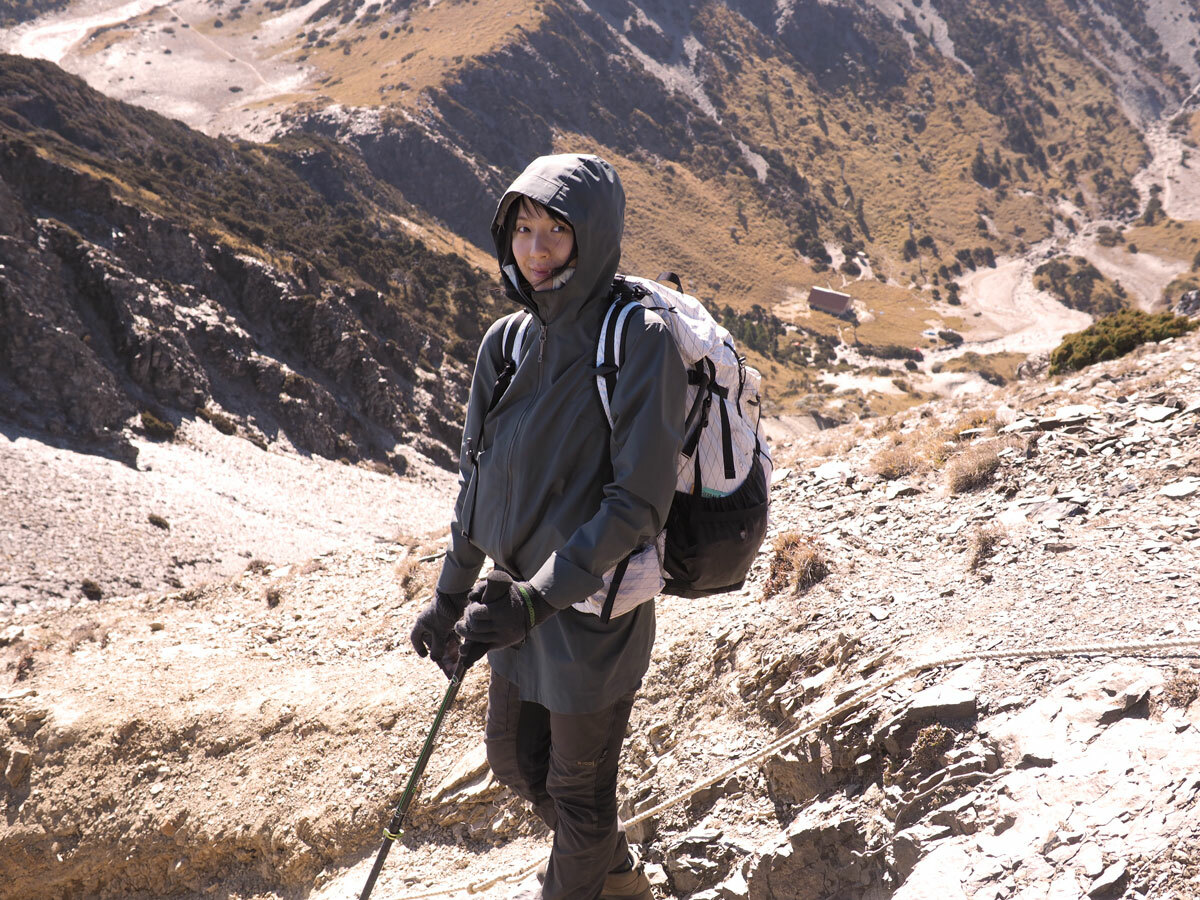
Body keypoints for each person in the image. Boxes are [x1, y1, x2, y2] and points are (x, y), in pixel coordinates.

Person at [411, 153, 687, 900]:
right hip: (515, 612)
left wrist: (535, 599)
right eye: (522, 228)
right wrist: (448, 596)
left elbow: (637, 505)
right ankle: (612, 873)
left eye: (556, 231)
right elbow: (479, 483)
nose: (533, 251)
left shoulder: (639, 340)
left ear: (591, 237)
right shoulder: (505, 343)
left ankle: (586, 879)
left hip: (590, 614)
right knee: (512, 760)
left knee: (578, 789)